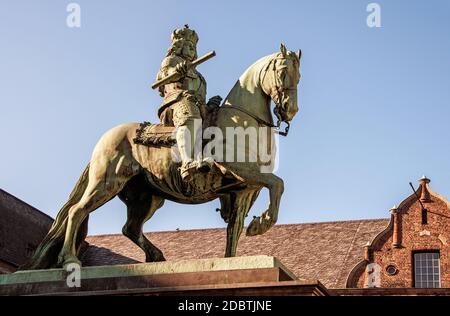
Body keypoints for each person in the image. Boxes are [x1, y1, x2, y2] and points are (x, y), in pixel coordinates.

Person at [156, 25, 222, 182]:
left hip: (196, 105)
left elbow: (200, 97)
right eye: (189, 46)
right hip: (175, 102)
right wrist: (175, 72)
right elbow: (164, 76)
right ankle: (187, 162)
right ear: (178, 46)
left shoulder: (199, 76)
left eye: (194, 47)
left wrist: (210, 105)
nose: (192, 50)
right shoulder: (171, 60)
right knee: (191, 118)